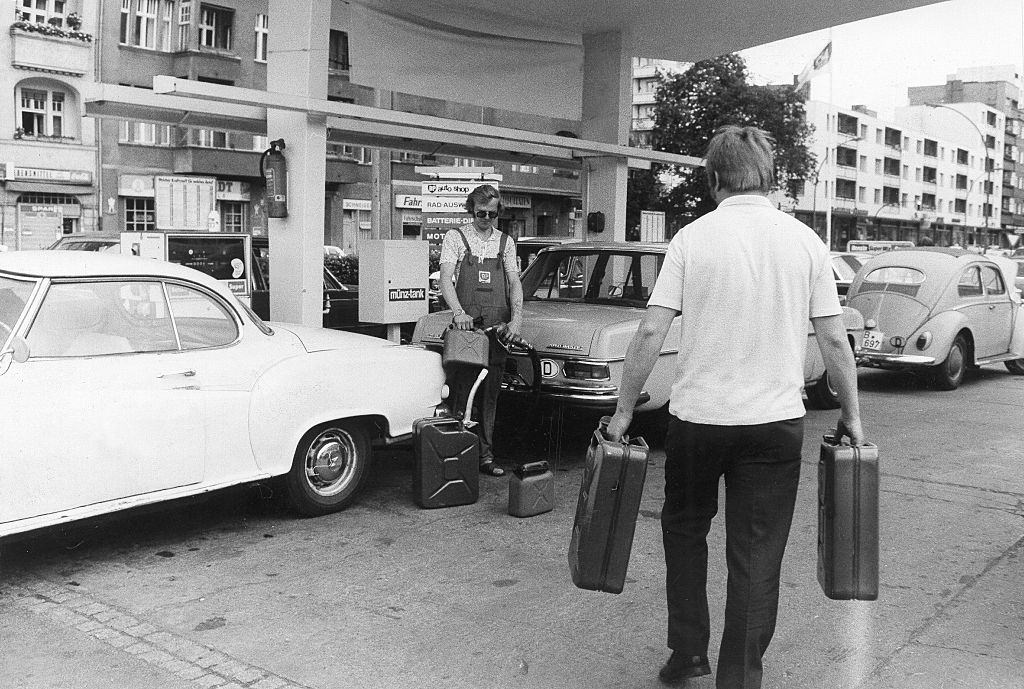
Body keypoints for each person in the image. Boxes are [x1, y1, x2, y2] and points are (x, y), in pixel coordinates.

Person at [606, 126, 863, 689]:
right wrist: (852, 415)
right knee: (756, 552)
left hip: (698, 421)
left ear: (714, 179)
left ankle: (687, 652)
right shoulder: (805, 243)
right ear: (769, 177)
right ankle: (740, 678)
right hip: (774, 425)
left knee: (684, 532)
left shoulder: (691, 240)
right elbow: (835, 340)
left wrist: (625, 411)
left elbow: (651, 331)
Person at [438, 184, 524, 477]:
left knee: (490, 397)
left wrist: (517, 320)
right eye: (480, 213)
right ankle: (457, 455)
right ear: (470, 210)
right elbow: (446, 280)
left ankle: (486, 457)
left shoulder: (506, 243)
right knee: (461, 393)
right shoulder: (456, 238)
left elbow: (514, 283)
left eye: (491, 213)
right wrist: (458, 312)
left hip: (497, 331)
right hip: (467, 331)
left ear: (498, 212)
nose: (485, 218)